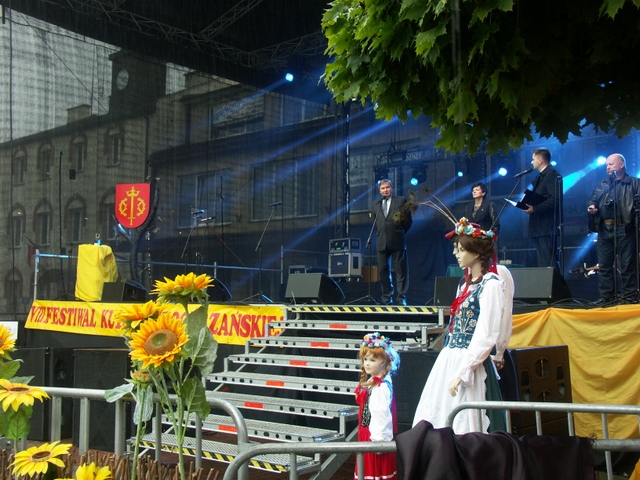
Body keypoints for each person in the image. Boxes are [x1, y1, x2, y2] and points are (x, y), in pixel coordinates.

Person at [412, 218, 508, 434]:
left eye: (461, 249)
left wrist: (465, 370)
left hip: (471, 361)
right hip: (450, 357)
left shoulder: (491, 285)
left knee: (467, 422)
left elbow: (487, 333)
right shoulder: (464, 285)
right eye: (456, 248)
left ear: (476, 252)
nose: (456, 254)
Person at [587, 153, 640, 304]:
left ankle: (629, 295)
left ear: (621, 165)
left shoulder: (634, 183)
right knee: (604, 265)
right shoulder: (603, 184)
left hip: (625, 228)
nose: (607, 167)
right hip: (605, 228)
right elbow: (592, 199)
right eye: (606, 165)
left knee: (627, 265)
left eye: (610, 164)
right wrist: (592, 206)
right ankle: (606, 296)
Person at [355, 332, 400, 480]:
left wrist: (379, 443)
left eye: (372, 360)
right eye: (365, 359)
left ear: (383, 362)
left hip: (374, 439)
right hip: (367, 436)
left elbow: (381, 415)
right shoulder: (375, 383)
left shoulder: (380, 387)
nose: (367, 363)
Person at [373, 179, 412, 305]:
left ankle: (401, 298)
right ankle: (386, 297)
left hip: (397, 239)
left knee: (400, 270)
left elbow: (408, 221)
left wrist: (399, 231)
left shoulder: (400, 201)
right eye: (383, 188)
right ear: (379, 191)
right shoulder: (376, 204)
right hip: (381, 241)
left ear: (392, 188)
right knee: (383, 270)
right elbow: (375, 223)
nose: (385, 190)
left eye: (387, 187)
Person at [523, 148, 562, 268]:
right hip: (539, 226)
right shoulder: (540, 177)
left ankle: (554, 280)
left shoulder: (551, 174)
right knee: (542, 261)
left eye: (533, 159)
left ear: (540, 160)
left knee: (548, 261)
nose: (531, 162)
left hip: (546, 225)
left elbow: (555, 199)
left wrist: (535, 209)